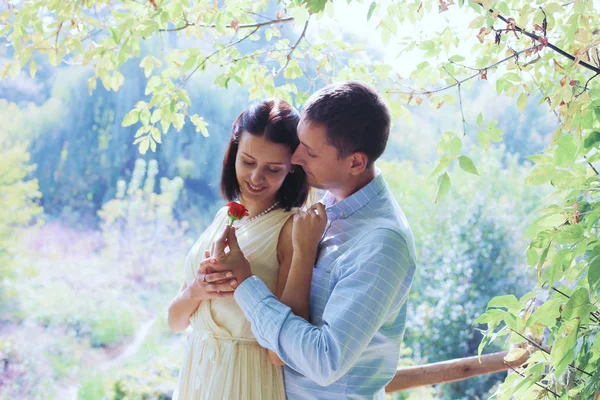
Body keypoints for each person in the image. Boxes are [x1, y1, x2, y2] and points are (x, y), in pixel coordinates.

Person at [203, 81, 418, 399]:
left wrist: (245, 284)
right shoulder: (324, 209)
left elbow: (324, 361)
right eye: (300, 142)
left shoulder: (382, 243)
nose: (297, 157)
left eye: (311, 152)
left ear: (355, 162)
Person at [167, 99, 327, 399]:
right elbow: (175, 322)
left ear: (292, 169)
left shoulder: (291, 230)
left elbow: (282, 354)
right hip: (197, 374)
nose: (256, 177)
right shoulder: (225, 217)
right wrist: (197, 291)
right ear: (234, 153)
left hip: (245, 381)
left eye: (273, 168)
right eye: (248, 162)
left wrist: (301, 255)